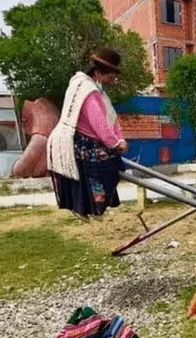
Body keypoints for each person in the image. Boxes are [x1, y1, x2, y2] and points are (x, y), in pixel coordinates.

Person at [47, 47, 128, 220]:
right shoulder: (87, 91)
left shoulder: (96, 92)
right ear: (98, 72)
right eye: (110, 77)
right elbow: (99, 123)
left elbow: (111, 119)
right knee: (109, 169)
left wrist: (119, 138)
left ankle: (91, 208)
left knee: (101, 173)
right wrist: (115, 143)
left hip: (87, 141)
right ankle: (88, 207)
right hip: (80, 144)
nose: (111, 82)